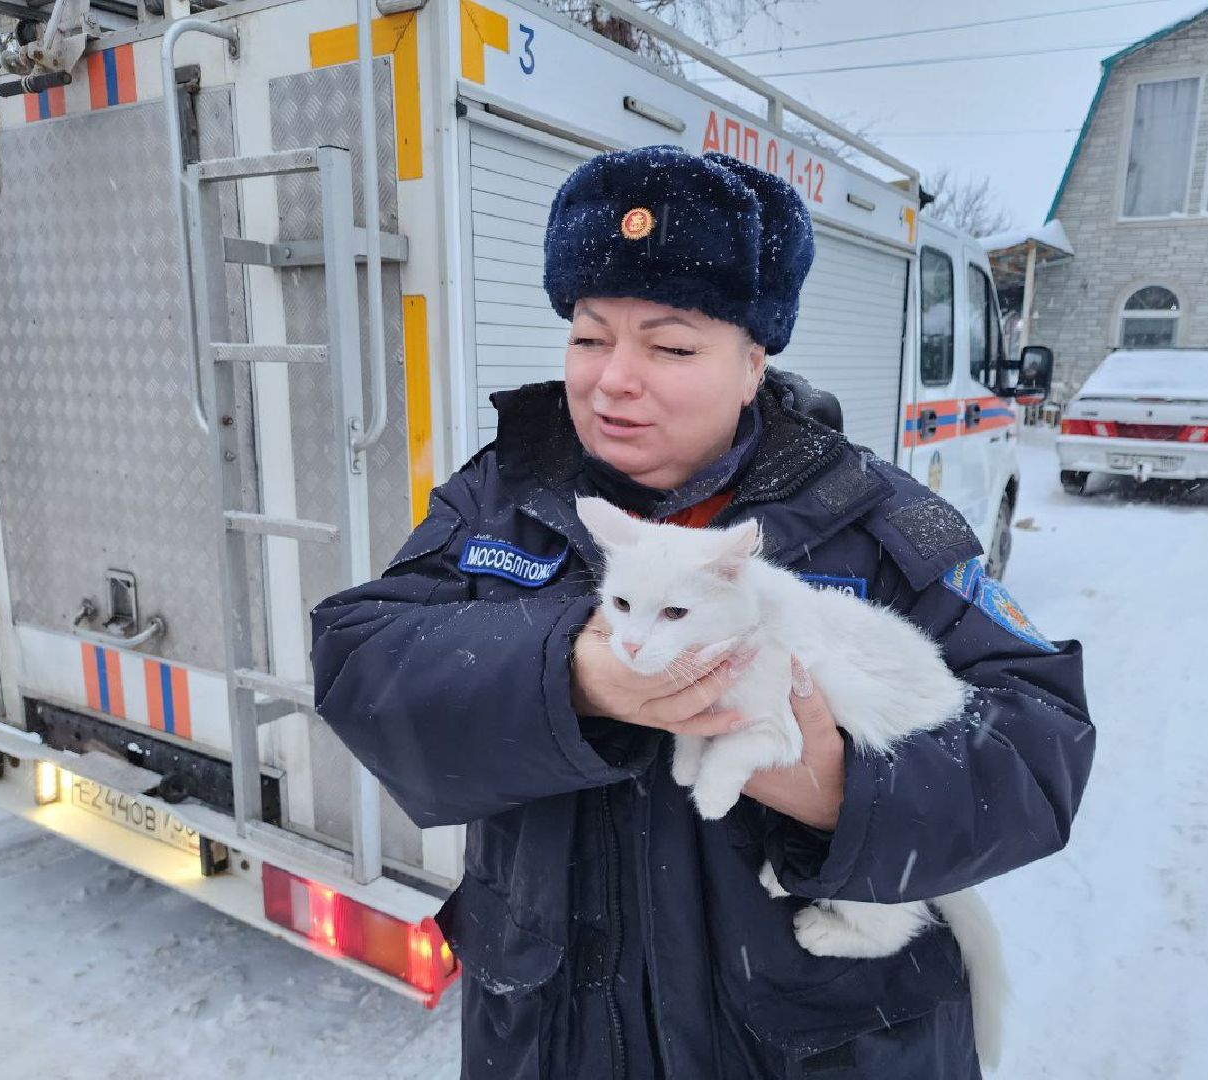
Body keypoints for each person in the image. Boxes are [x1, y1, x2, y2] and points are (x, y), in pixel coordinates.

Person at [311, 146, 1094, 1079]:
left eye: (671, 346)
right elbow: (362, 662)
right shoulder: (502, 497)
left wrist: (843, 792)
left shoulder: (877, 520)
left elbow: (1039, 743)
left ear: (753, 360)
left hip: (815, 1044)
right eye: (590, 337)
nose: (611, 381)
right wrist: (569, 674)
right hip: (558, 1039)